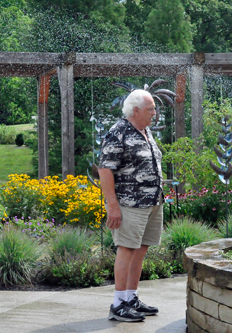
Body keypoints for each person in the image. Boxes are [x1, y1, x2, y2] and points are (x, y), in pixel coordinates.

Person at [98, 89, 164, 322]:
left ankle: (130, 298)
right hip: (130, 204)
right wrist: (112, 206)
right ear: (135, 110)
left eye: (154, 108)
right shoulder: (118, 133)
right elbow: (105, 170)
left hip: (152, 202)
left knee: (141, 248)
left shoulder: (145, 131)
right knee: (126, 249)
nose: (154, 113)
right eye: (150, 109)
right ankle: (118, 304)